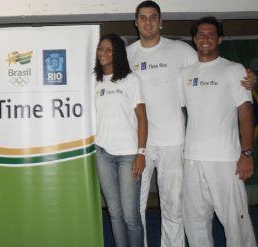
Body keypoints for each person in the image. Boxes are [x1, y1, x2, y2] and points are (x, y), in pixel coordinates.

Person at [126, 1, 256, 246]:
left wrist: (248, 77)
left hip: (176, 143)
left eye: (153, 17)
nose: (148, 22)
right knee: (140, 209)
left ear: (160, 21)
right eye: (143, 18)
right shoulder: (129, 54)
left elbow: (212, 67)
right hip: (140, 145)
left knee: (175, 209)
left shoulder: (182, 51)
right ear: (136, 22)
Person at [179, 16, 257, 247]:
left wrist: (247, 154)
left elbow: (245, 114)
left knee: (236, 222)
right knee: (195, 221)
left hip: (226, 160)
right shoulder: (184, 74)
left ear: (220, 39)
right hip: (192, 158)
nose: (205, 39)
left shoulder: (234, 69)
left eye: (211, 34)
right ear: (194, 39)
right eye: (200, 34)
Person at [94, 33, 148, 247]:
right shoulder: (94, 81)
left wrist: (141, 154)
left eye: (109, 50)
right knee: (114, 214)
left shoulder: (130, 79)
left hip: (128, 156)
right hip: (102, 153)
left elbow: (142, 119)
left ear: (118, 54)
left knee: (131, 216)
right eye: (100, 48)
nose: (103, 53)